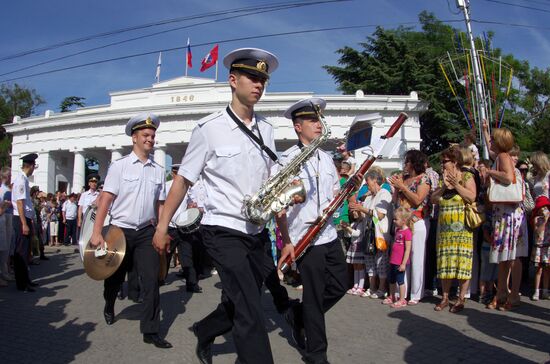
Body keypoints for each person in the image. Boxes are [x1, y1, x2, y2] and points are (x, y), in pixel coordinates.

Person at [153, 48, 281, 364]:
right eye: (252, 77)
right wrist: (162, 226)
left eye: (263, 79)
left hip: (257, 230)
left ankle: (206, 330)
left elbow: (273, 177)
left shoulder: (267, 130)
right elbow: (183, 181)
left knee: (243, 300)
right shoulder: (208, 128)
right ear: (232, 80)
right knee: (251, 309)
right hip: (222, 230)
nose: (259, 84)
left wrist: (288, 196)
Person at [90, 112, 172, 349]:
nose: (150, 139)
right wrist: (97, 233)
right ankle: (109, 303)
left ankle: (151, 330)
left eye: (153, 135)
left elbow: (160, 204)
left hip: (147, 231)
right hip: (119, 231)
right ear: (134, 138)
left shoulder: (158, 170)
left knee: (151, 281)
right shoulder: (119, 166)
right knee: (114, 278)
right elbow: (105, 200)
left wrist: (162, 229)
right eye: (146, 135)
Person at [277, 97, 349, 364]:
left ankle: (299, 315)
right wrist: (286, 240)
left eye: (319, 120)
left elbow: (333, 194)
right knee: (315, 294)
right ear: (298, 127)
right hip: (305, 239)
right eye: (312, 120)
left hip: (328, 234)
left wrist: (346, 191)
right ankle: (317, 354)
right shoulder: (287, 160)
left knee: (342, 284)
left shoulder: (326, 158)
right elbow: (279, 207)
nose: (319, 125)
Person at [479, 127, 522, 311]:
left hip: (508, 213)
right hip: (503, 212)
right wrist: (485, 131)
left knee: (510, 256)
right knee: (505, 256)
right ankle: (502, 292)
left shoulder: (503, 156)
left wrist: (489, 173)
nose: (491, 143)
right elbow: (489, 150)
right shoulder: (500, 155)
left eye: (493, 140)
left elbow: (508, 177)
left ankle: (509, 294)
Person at [431, 146, 477, 313]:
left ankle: (461, 298)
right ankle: (444, 297)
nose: (442, 164)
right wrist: (444, 186)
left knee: (462, 264)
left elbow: (471, 197)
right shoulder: (443, 180)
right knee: (445, 264)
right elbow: (433, 199)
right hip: (445, 232)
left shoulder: (467, 176)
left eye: (445, 161)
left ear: (455, 161)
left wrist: (456, 185)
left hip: (462, 230)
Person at [388, 150, 431, 305]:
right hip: (403, 222)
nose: (405, 164)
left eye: (407, 161)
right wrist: (397, 188)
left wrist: (403, 188)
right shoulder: (404, 179)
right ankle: (402, 293)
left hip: (417, 221)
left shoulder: (423, 179)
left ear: (414, 163)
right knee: (401, 257)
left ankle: (416, 293)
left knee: (416, 257)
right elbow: (395, 201)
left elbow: (418, 200)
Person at [349, 167, 392, 299]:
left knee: (381, 262)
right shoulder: (369, 197)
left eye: (368, 182)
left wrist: (361, 208)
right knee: (370, 262)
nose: (367, 185)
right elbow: (364, 216)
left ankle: (381, 288)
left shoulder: (384, 193)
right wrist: (356, 211)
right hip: (368, 233)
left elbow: (379, 215)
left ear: (374, 181)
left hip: (380, 234)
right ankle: (372, 287)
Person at [165, 164, 202, 293]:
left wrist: (192, 206)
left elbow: (191, 203)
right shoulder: (166, 186)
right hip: (170, 226)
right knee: (166, 254)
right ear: (173, 172)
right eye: (176, 172)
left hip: (182, 227)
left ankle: (191, 284)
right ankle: (160, 278)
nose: (178, 174)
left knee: (186, 256)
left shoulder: (187, 187)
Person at [11, 153, 40, 292]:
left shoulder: (24, 180)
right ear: (31, 166)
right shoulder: (21, 180)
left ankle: (26, 280)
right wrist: (24, 223)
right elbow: (20, 203)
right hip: (20, 218)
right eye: (34, 166)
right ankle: (21, 284)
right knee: (21, 252)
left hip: (24, 218)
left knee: (26, 251)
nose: (34, 169)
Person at [382, 207, 413, 308]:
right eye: (394, 219)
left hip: (400, 262)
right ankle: (392, 296)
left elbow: (407, 249)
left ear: (404, 221)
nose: (394, 221)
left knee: (400, 281)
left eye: (396, 219)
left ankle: (402, 299)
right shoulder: (397, 230)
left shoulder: (407, 232)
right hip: (393, 260)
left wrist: (403, 263)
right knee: (391, 279)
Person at [530, 196, 550, 300]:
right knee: (539, 270)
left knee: (547, 270)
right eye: (542, 208)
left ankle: (545, 291)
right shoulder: (537, 219)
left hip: (547, 248)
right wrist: (544, 221)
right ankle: (536, 291)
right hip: (538, 247)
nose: (544, 210)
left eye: (545, 208)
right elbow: (537, 231)